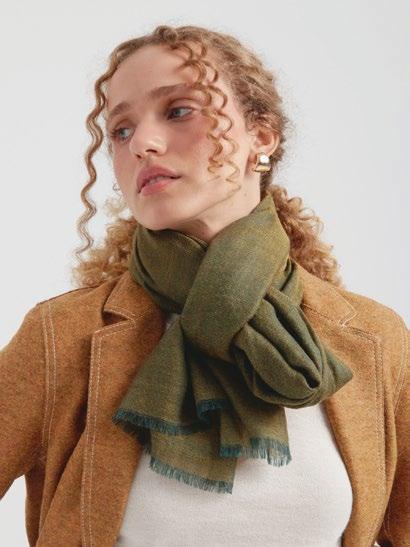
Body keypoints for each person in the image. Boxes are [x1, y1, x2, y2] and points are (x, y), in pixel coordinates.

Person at [0, 24, 408, 547]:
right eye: (120, 130)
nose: (142, 144)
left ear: (261, 136)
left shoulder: (374, 339)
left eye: (178, 110)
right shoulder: (61, 336)